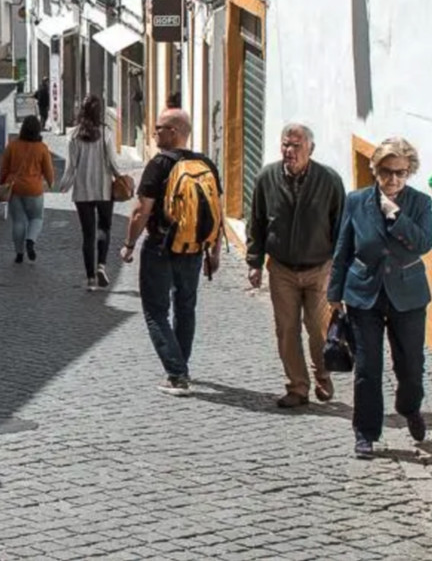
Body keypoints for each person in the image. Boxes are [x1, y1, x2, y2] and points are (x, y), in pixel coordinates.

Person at [327, 138, 432, 459]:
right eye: (386, 172)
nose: (393, 179)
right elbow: (343, 247)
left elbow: (423, 243)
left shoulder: (421, 203)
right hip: (364, 293)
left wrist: (395, 214)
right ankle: (365, 432)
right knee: (368, 368)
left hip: (408, 294)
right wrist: (335, 294)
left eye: (400, 172)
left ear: (409, 171)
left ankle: (410, 407)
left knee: (412, 367)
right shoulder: (356, 201)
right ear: (375, 170)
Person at [120, 109, 222, 396]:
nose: (153, 132)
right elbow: (217, 211)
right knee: (186, 307)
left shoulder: (159, 165)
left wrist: (129, 245)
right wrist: (214, 252)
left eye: (159, 127)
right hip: (194, 249)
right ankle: (180, 366)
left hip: (161, 246)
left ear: (175, 131)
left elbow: (141, 211)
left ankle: (177, 375)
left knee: (155, 312)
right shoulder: (206, 164)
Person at [246, 123, 345, 408]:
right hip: (282, 269)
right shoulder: (267, 177)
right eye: (285, 145)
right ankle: (297, 387)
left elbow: (340, 226)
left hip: (319, 268)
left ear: (310, 149)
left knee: (318, 328)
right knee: (286, 329)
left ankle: (322, 374)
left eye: (296, 146)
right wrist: (254, 261)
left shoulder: (329, 180)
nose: (289, 151)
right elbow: (257, 222)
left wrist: (340, 268)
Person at [58, 94, 119, 291]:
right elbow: (112, 163)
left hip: (82, 191)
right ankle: (101, 265)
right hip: (103, 189)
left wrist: (64, 185)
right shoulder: (106, 132)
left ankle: (91, 279)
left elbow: (71, 167)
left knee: (87, 235)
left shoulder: (74, 135)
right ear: (99, 112)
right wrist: (123, 178)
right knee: (104, 228)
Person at [0, 115, 55, 264]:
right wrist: (50, 183)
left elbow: (4, 167)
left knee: (18, 221)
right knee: (36, 218)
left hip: (15, 188)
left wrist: (2, 182)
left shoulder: (12, 146)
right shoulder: (42, 148)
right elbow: (48, 170)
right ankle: (30, 240)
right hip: (34, 189)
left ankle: (19, 254)